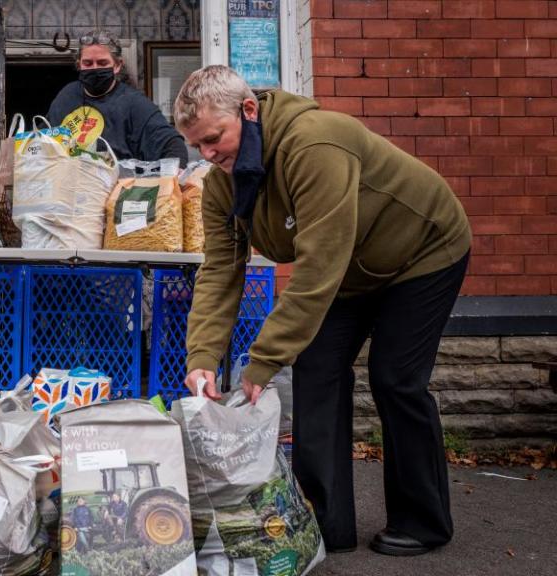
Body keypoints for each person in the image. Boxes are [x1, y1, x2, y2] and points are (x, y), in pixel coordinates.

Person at [175, 65, 471, 557]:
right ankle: (324, 522)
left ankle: (423, 520)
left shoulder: (315, 144)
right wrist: (201, 355)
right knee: (315, 371)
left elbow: (318, 266)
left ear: (248, 112)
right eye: (197, 147)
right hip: (349, 268)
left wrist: (264, 357)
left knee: (395, 377)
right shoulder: (223, 183)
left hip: (422, 251)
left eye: (213, 139)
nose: (207, 155)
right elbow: (221, 269)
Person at [47, 30, 188, 166]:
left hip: (117, 186)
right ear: (79, 65)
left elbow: (173, 146)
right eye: (88, 63)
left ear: (117, 65)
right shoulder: (66, 95)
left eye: (102, 63)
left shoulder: (135, 104)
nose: (95, 69)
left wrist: (171, 180)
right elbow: (43, 137)